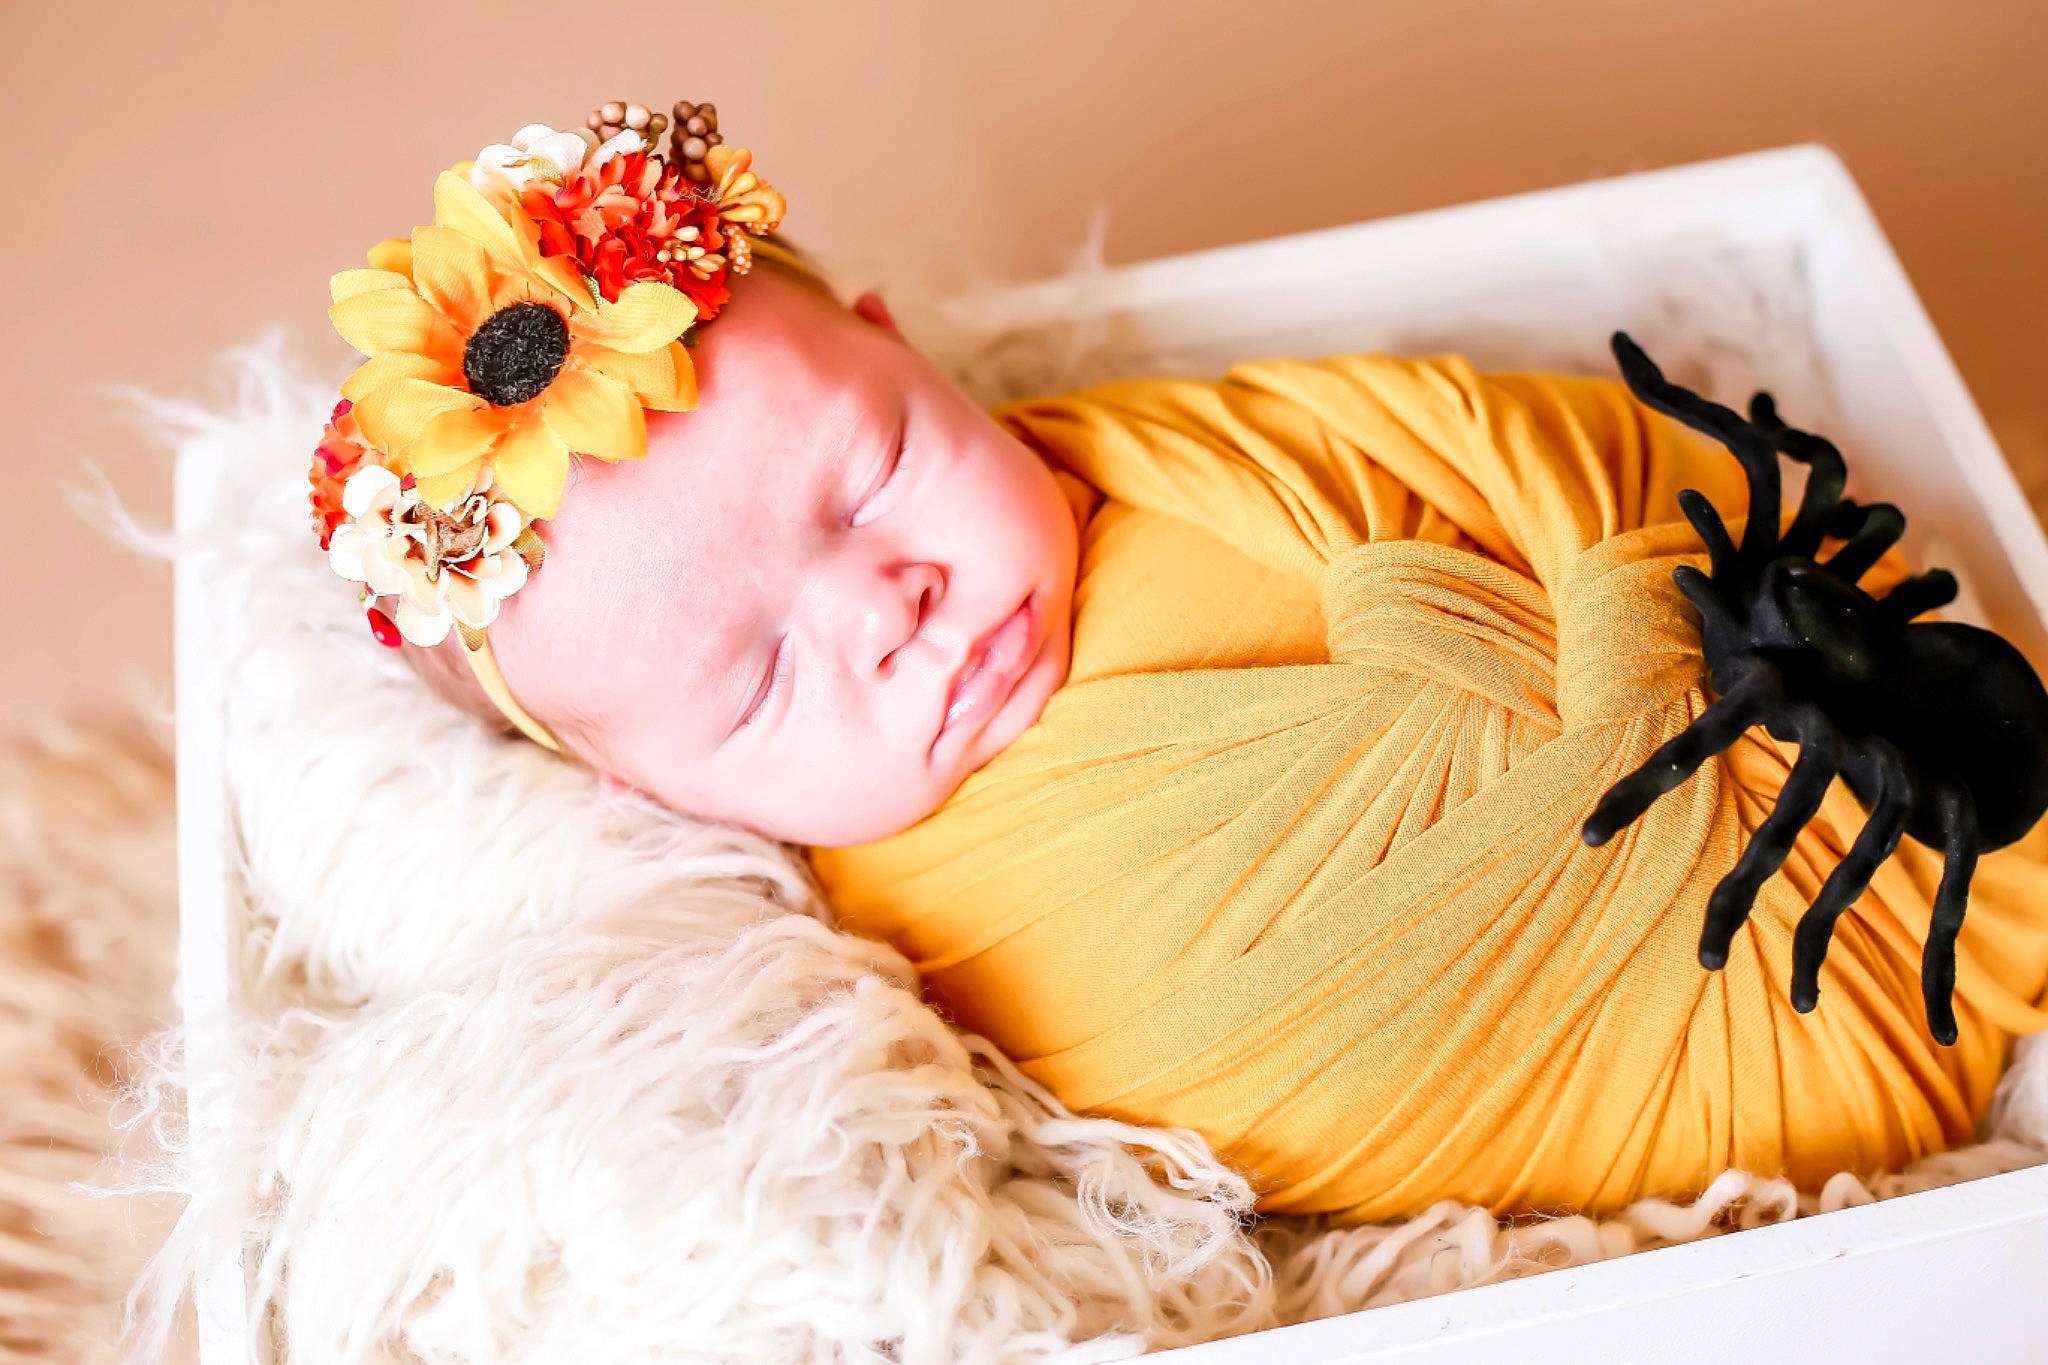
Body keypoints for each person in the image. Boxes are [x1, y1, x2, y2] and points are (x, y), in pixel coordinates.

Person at [323, 103, 2048, 1224]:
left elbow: (1510, 441)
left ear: (907, 351)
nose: (888, 606)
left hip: (1864, 718)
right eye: (761, 677)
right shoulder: (960, 935)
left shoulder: (1166, 461)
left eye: (876, 475)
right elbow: (1255, 1085)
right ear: (655, 788)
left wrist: (1633, 623)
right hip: (1744, 1022)